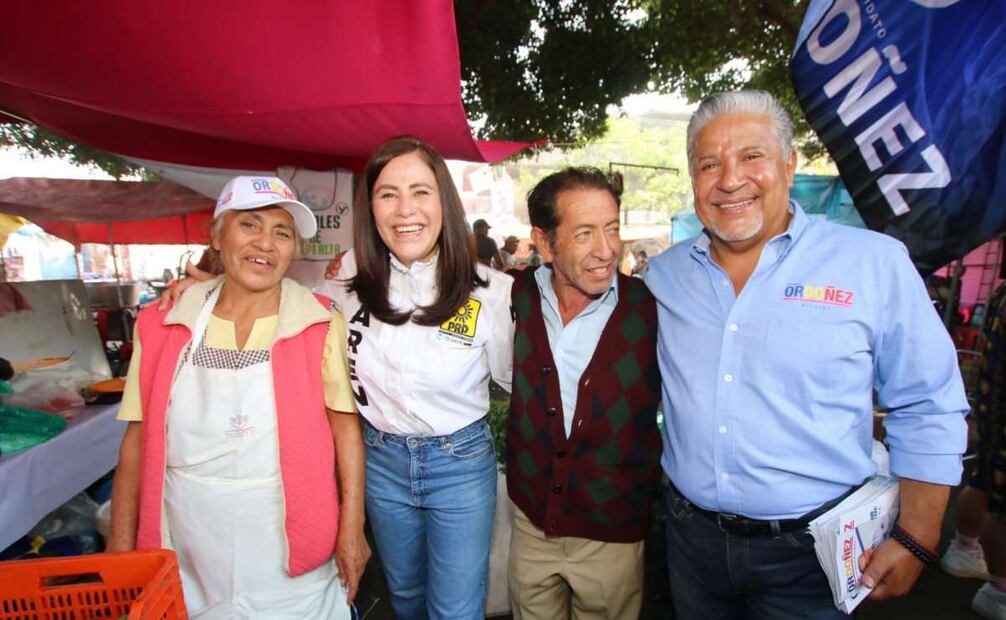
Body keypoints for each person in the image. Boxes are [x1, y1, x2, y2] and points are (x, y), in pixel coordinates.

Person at [645, 90, 969, 618]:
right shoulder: (666, 275)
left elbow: (928, 403)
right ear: (693, 178)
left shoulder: (873, 264)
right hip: (690, 544)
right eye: (710, 164)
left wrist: (917, 538)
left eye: (752, 156)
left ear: (789, 164)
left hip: (816, 557)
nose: (730, 180)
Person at [108, 176, 368, 619]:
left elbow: (345, 429)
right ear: (216, 235)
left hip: (289, 544)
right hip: (189, 544)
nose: (265, 244)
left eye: (281, 232)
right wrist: (119, 547)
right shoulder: (164, 322)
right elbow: (137, 440)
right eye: (249, 225)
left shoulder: (318, 320)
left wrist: (352, 528)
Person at [318, 136, 514, 618]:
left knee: (455, 610)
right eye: (388, 194)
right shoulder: (345, 276)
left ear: (443, 200)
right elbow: (280, 306)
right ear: (371, 207)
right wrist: (209, 285)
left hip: (460, 465)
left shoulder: (492, 292)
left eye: (421, 191)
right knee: (404, 598)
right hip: (380, 463)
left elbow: (516, 381)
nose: (406, 209)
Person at [505, 167, 662, 619]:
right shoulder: (514, 299)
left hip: (612, 535)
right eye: (586, 234)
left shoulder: (650, 309)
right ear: (545, 242)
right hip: (532, 526)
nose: (607, 250)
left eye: (613, 229)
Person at [941, 282, 1006, 619]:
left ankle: (967, 551)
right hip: (997, 410)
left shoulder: (1000, 294)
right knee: (999, 500)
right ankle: (999, 590)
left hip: (993, 408)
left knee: (984, 480)